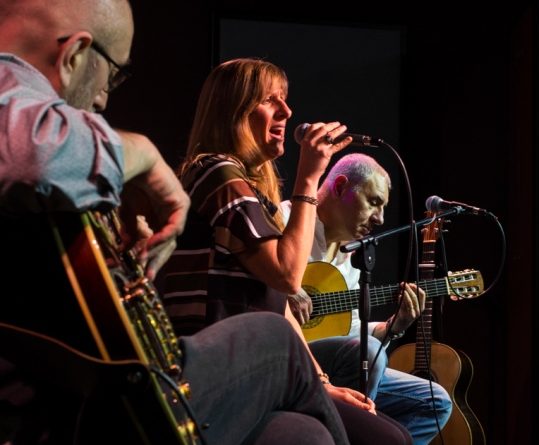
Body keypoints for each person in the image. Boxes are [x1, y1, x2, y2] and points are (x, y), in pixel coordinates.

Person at [0, 1, 349, 444]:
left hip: (83, 390)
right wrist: (140, 154)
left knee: (300, 435)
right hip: (81, 408)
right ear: (74, 54)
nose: (105, 98)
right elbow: (26, 152)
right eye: (113, 74)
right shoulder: (19, 109)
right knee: (275, 342)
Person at [159, 57, 412, 445]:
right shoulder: (218, 174)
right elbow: (288, 275)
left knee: (338, 434)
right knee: (384, 440)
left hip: (259, 364)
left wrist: (322, 383)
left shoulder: (248, 189)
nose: (288, 112)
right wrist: (309, 177)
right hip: (223, 369)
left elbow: (279, 306)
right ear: (235, 111)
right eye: (270, 100)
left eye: (286, 100)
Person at [282, 153, 453, 445]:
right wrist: (282, 288)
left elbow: (351, 331)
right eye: (374, 202)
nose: (381, 218)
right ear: (339, 187)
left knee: (435, 401)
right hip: (291, 358)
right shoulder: (286, 220)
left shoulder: (349, 259)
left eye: (384, 207)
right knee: (367, 352)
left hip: (335, 360)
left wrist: (395, 325)